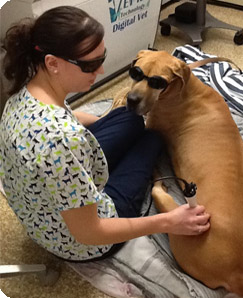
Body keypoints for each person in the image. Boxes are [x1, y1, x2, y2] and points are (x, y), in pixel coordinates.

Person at [0, 6, 210, 262]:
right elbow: (91, 233)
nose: (100, 71)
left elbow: (70, 117)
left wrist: (110, 127)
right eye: (91, 65)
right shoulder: (64, 140)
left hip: (43, 210)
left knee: (129, 120)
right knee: (151, 138)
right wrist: (168, 221)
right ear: (52, 63)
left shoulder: (27, 91)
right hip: (81, 242)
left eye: (102, 58)